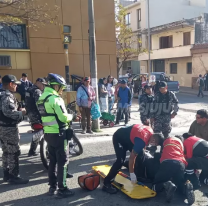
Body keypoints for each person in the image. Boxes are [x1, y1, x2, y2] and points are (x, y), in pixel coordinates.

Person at [37, 73, 74, 198]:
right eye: (61, 87)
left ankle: (52, 187)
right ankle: (62, 189)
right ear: (56, 86)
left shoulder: (42, 98)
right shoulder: (56, 99)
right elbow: (63, 118)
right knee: (63, 161)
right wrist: (71, 116)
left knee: (52, 161)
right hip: (60, 134)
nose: (62, 90)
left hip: (48, 134)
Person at [102, 124, 164, 194]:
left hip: (130, 137)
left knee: (141, 154)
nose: (153, 145)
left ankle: (139, 176)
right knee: (120, 161)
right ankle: (106, 184)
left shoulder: (150, 132)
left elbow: (143, 143)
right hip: (119, 137)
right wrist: (131, 173)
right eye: (155, 144)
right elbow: (132, 157)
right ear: (153, 140)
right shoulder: (141, 141)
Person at [0, 75, 28, 184]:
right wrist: (22, 113)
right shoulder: (7, 96)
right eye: (15, 84)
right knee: (14, 152)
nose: (16, 86)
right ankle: (13, 176)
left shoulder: (1, 94)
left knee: (6, 151)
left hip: (3, 127)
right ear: (10, 84)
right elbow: (9, 112)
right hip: (9, 128)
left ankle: (6, 174)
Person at [152, 136, 195, 205]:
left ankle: (165, 184)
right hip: (180, 163)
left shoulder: (166, 141)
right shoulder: (181, 144)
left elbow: (161, 153)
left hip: (167, 162)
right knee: (179, 182)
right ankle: (186, 186)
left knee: (156, 184)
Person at [25, 78, 47, 156]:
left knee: (38, 132)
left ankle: (32, 150)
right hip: (37, 115)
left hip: (30, 114)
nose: (43, 86)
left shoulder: (29, 89)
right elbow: (40, 104)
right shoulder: (37, 91)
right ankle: (43, 150)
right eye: (42, 84)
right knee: (42, 131)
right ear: (37, 83)